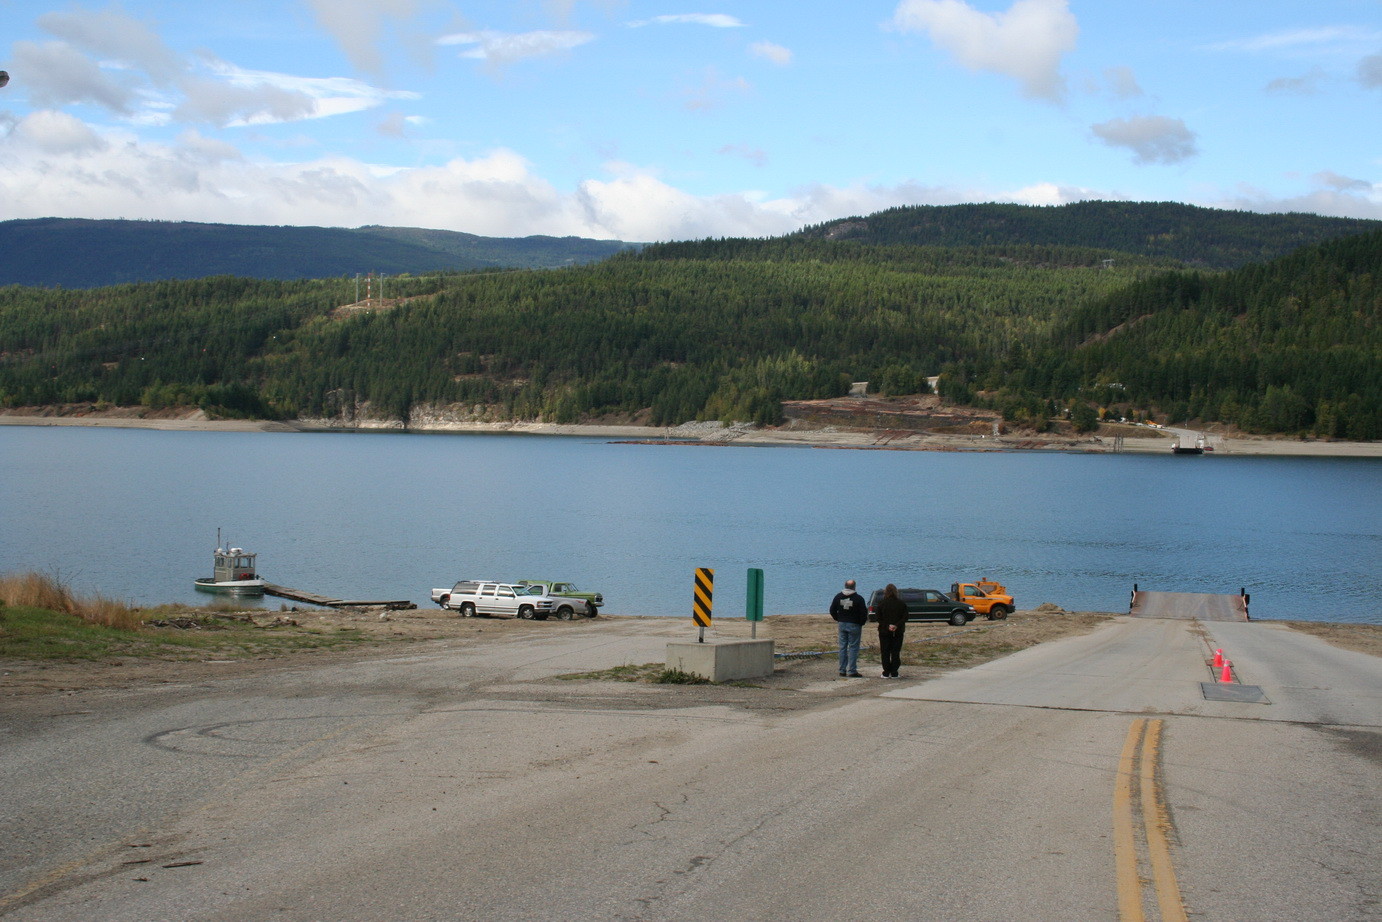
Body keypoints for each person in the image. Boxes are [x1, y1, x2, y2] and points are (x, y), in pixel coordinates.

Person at [829, 579, 867, 677]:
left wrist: (838, 618)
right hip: (854, 624)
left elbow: (832, 610)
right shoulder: (858, 598)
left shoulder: (838, 597)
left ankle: (842, 669)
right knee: (853, 647)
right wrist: (861, 623)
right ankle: (852, 670)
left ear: (845, 586)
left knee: (842, 647)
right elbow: (863, 613)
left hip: (842, 623)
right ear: (854, 587)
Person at [875, 583, 909, 678]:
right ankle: (894, 672)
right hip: (898, 631)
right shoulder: (901, 604)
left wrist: (887, 625)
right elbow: (905, 617)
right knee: (895, 651)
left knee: (885, 651)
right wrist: (896, 625)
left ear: (886, 592)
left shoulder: (881, 603)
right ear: (896, 592)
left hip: (884, 631)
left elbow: (878, 618)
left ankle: (886, 672)